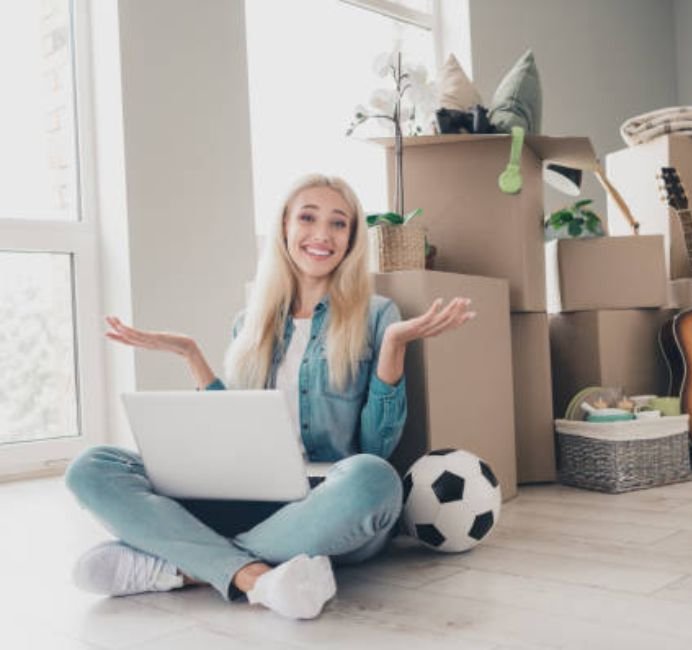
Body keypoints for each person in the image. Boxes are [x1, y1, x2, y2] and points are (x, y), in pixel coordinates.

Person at [64, 174, 474, 619]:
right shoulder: (249, 322)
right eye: (308, 218)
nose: (322, 234)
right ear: (284, 227)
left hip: (323, 505)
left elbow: (375, 447)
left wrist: (393, 345)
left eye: (338, 223)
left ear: (352, 238)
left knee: (375, 478)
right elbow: (231, 432)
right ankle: (256, 576)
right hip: (247, 495)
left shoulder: (377, 315)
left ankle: (184, 566)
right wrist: (191, 355)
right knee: (92, 466)